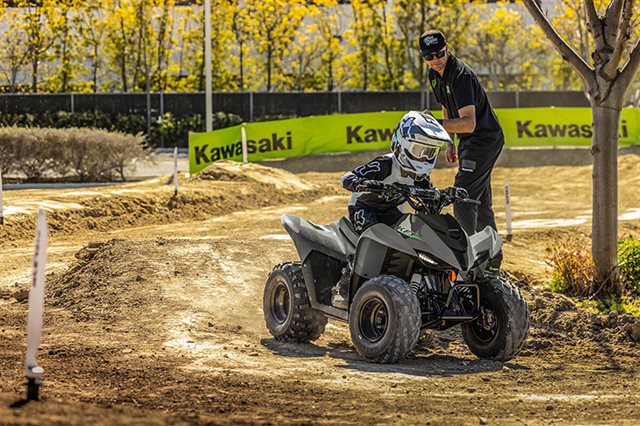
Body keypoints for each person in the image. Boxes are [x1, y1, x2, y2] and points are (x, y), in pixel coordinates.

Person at [331, 110, 450, 308]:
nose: (423, 158)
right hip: (364, 208)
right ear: (402, 143)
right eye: (419, 150)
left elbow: (431, 193)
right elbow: (347, 177)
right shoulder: (385, 164)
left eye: (429, 153)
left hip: (389, 211)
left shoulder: (419, 176)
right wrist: (359, 182)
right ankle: (343, 288)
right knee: (371, 236)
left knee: (410, 236)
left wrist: (443, 196)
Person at [419, 29, 504, 274]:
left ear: (448, 47)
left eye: (439, 54)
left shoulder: (462, 76)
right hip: (469, 143)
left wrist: (433, 124)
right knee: (481, 203)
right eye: (428, 57)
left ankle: (467, 260)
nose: (435, 60)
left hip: (484, 140)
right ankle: (492, 259)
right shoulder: (434, 75)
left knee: (463, 197)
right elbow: (447, 107)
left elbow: (469, 122)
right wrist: (449, 141)